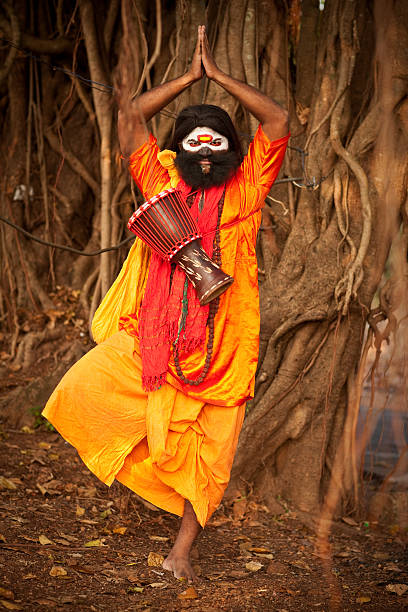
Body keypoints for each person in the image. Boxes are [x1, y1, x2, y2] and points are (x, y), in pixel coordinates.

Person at [43, 25, 289, 582]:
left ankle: (182, 549)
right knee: (82, 388)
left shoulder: (248, 192)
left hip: (224, 347)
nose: (205, 151)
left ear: (234, 149)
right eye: (194, 141)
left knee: (210, 452)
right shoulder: (163, 184)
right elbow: (131, 120)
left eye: (217, 140)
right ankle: (140, 484)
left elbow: (276, 122)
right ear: (179, 149)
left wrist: (222, 78)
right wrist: (189, 78)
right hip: (153, 340)